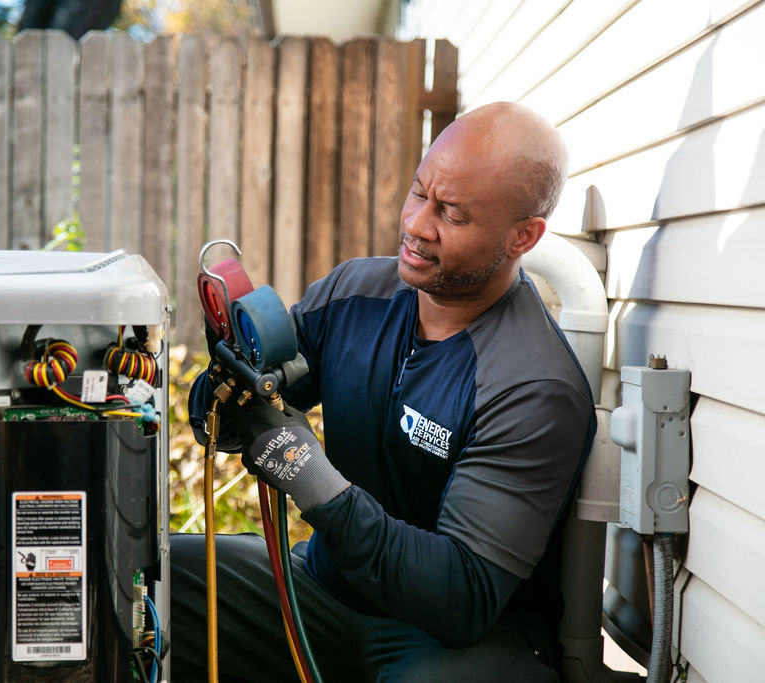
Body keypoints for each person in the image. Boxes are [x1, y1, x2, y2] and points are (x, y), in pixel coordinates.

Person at [171, 101, 596, 682]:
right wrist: (221, 391)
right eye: (420, 193)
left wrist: (309, 477)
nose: (418, 225)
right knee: (152, 576)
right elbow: (243, 406)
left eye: (452, 213)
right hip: (322, 591)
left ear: (523, 236)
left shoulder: (533, 388)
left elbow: (462, 600)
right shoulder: (354, 294)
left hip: (450, 646)